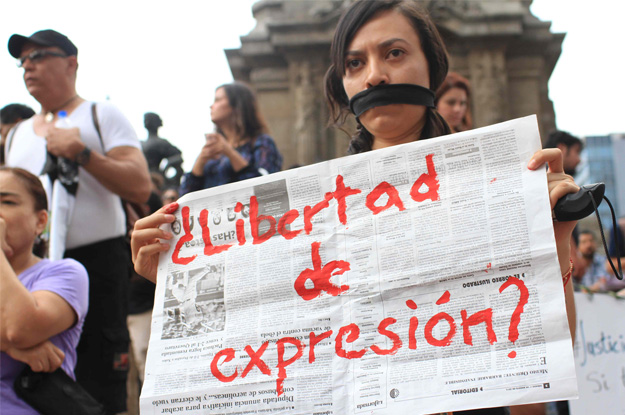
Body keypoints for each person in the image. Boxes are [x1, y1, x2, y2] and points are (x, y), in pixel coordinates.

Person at [132, 1, 579, 414]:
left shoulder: (492, 190)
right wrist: (173, 284)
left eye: (395, 53)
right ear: (344, 83)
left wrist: (554, 236)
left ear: (432, 69)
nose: (375, 76)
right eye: (355, 63)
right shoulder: (302, 222)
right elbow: (247, 368)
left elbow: (534, 393)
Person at [5, 29, 151, 414]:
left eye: (39, 56)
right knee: (32, 381)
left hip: (96, 263)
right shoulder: (17, 133)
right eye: (22, 61)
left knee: (101, 383)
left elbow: (139, 185)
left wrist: (82, 153)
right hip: (30, 269)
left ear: (71, 63)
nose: (28, 67)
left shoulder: (101, 114)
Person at [0, 167, 89, 414]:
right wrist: (9, 346)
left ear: (40, 221)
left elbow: (20, 328)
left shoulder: (65, 273)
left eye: (6, 201)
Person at [179, 82, 283, 195]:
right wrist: (200, 161)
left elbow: (267, 186)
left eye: (217, 100)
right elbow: (185, 195)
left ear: (236, 105)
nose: (211, 106)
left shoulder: (262, 142)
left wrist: (229, 152)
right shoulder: (213, 150)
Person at [142, 112, 184, 188]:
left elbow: (178, 156)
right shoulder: (140, 143)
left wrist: (166, 166)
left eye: (149, 119)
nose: (146, 121)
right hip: (140, 178)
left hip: (155, 179)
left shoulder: (161, 143)